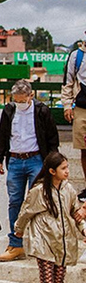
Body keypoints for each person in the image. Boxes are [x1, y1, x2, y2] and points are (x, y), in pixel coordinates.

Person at [16, 152, 86, 283]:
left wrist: (84, 229)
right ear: (52, 171)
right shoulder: (39, 191)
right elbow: (26, 212)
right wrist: (19, 230)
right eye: (63, 168)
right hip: (43, 238)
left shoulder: (68, 189)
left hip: (62, 240)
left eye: (68, 167)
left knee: (59, 274)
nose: (67, 171)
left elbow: (75, 213)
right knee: (47, 274)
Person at [0, 79, 59, 262]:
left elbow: (52, 137)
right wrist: (0, 158)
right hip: (15, 159)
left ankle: (40, 241)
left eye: (22, 100)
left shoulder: (41, 111)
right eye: (16, 100)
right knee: (15, 202)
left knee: (39, 201)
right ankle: (16, 243)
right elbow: (2, 135)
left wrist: (52, 162)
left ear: (30, 96)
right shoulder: (9, 110)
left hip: (36, 159)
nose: (20, 103)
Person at [62, 39, 86, 201]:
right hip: (82, 107)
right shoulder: (76, 56)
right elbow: (68, 82)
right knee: (84, 148)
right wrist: (67, 105)